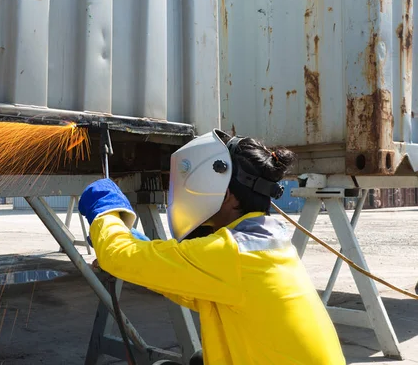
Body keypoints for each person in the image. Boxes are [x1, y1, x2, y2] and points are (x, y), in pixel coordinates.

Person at [78, 129, 346, 365]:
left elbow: (116, 256)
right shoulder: (264, 245)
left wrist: (107, 211)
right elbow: (194, 286)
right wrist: (145, 251)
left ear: (227, 195)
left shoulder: (231, 252)